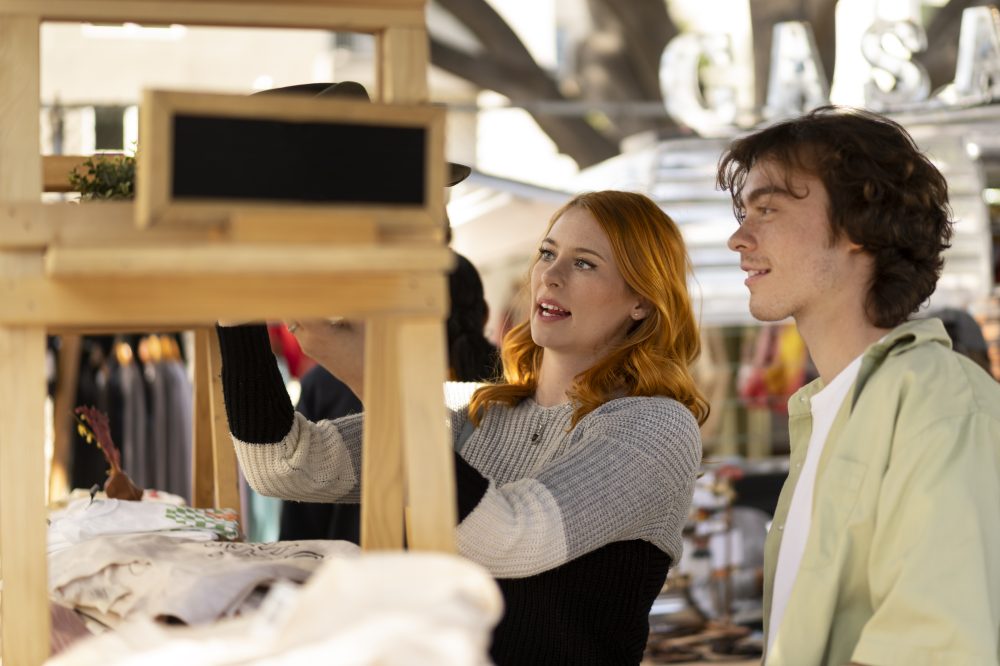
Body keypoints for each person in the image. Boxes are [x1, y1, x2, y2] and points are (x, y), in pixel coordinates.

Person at [217, 189, 707, 665]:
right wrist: (237, 313)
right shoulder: (473, 410)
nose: (550, 276)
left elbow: (506, 540)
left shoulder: (656, 428)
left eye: (584, 263)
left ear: (642, 301)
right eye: (547, 253)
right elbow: (282, 466)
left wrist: (376, 382)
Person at [717, 106, 1000, 665]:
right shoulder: (829, 408)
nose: (738, 239)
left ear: (858, 226)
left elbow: (934, 652)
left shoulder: (938, 403)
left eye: (767, 209)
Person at [280, 252, 501, 542]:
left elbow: (300, 518)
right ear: (485, 313)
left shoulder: (327, 382)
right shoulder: (515, 386)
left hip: (352, 564)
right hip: (471, 567)